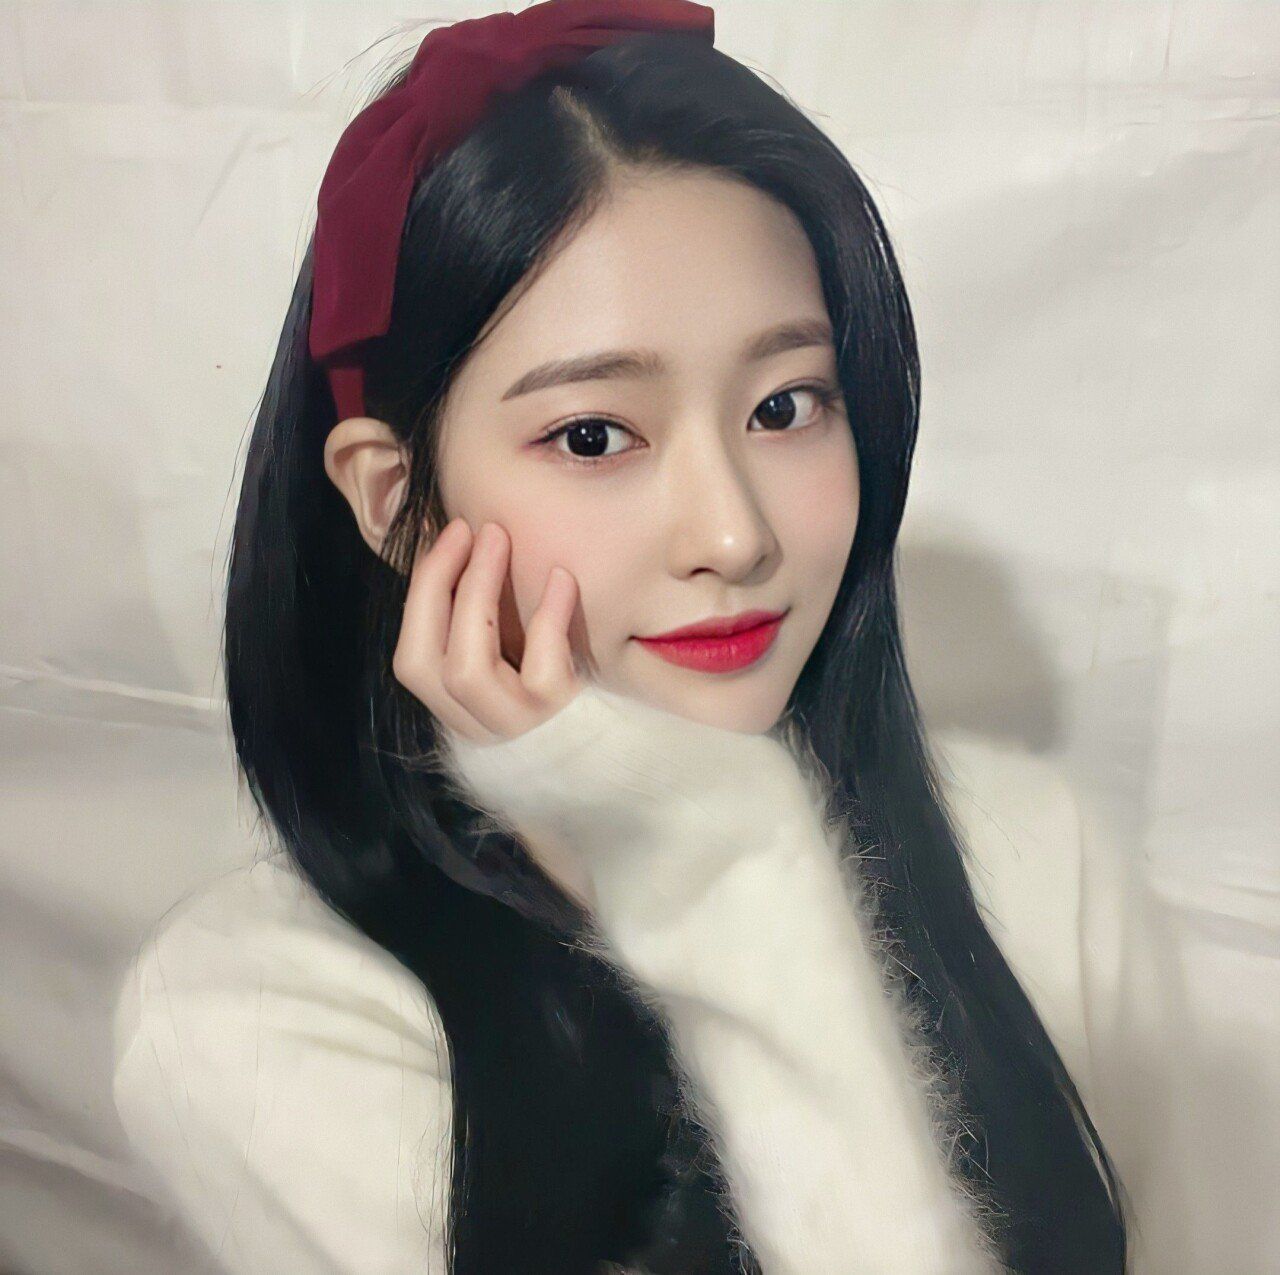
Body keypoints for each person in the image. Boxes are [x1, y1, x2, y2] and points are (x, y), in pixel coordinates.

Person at [111, 1, 1135, 1270]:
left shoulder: (1041, 867)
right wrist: (726, 876)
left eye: (784, 406)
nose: (732, 535)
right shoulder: (258, 1022)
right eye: (594, 436)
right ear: (393, 501)